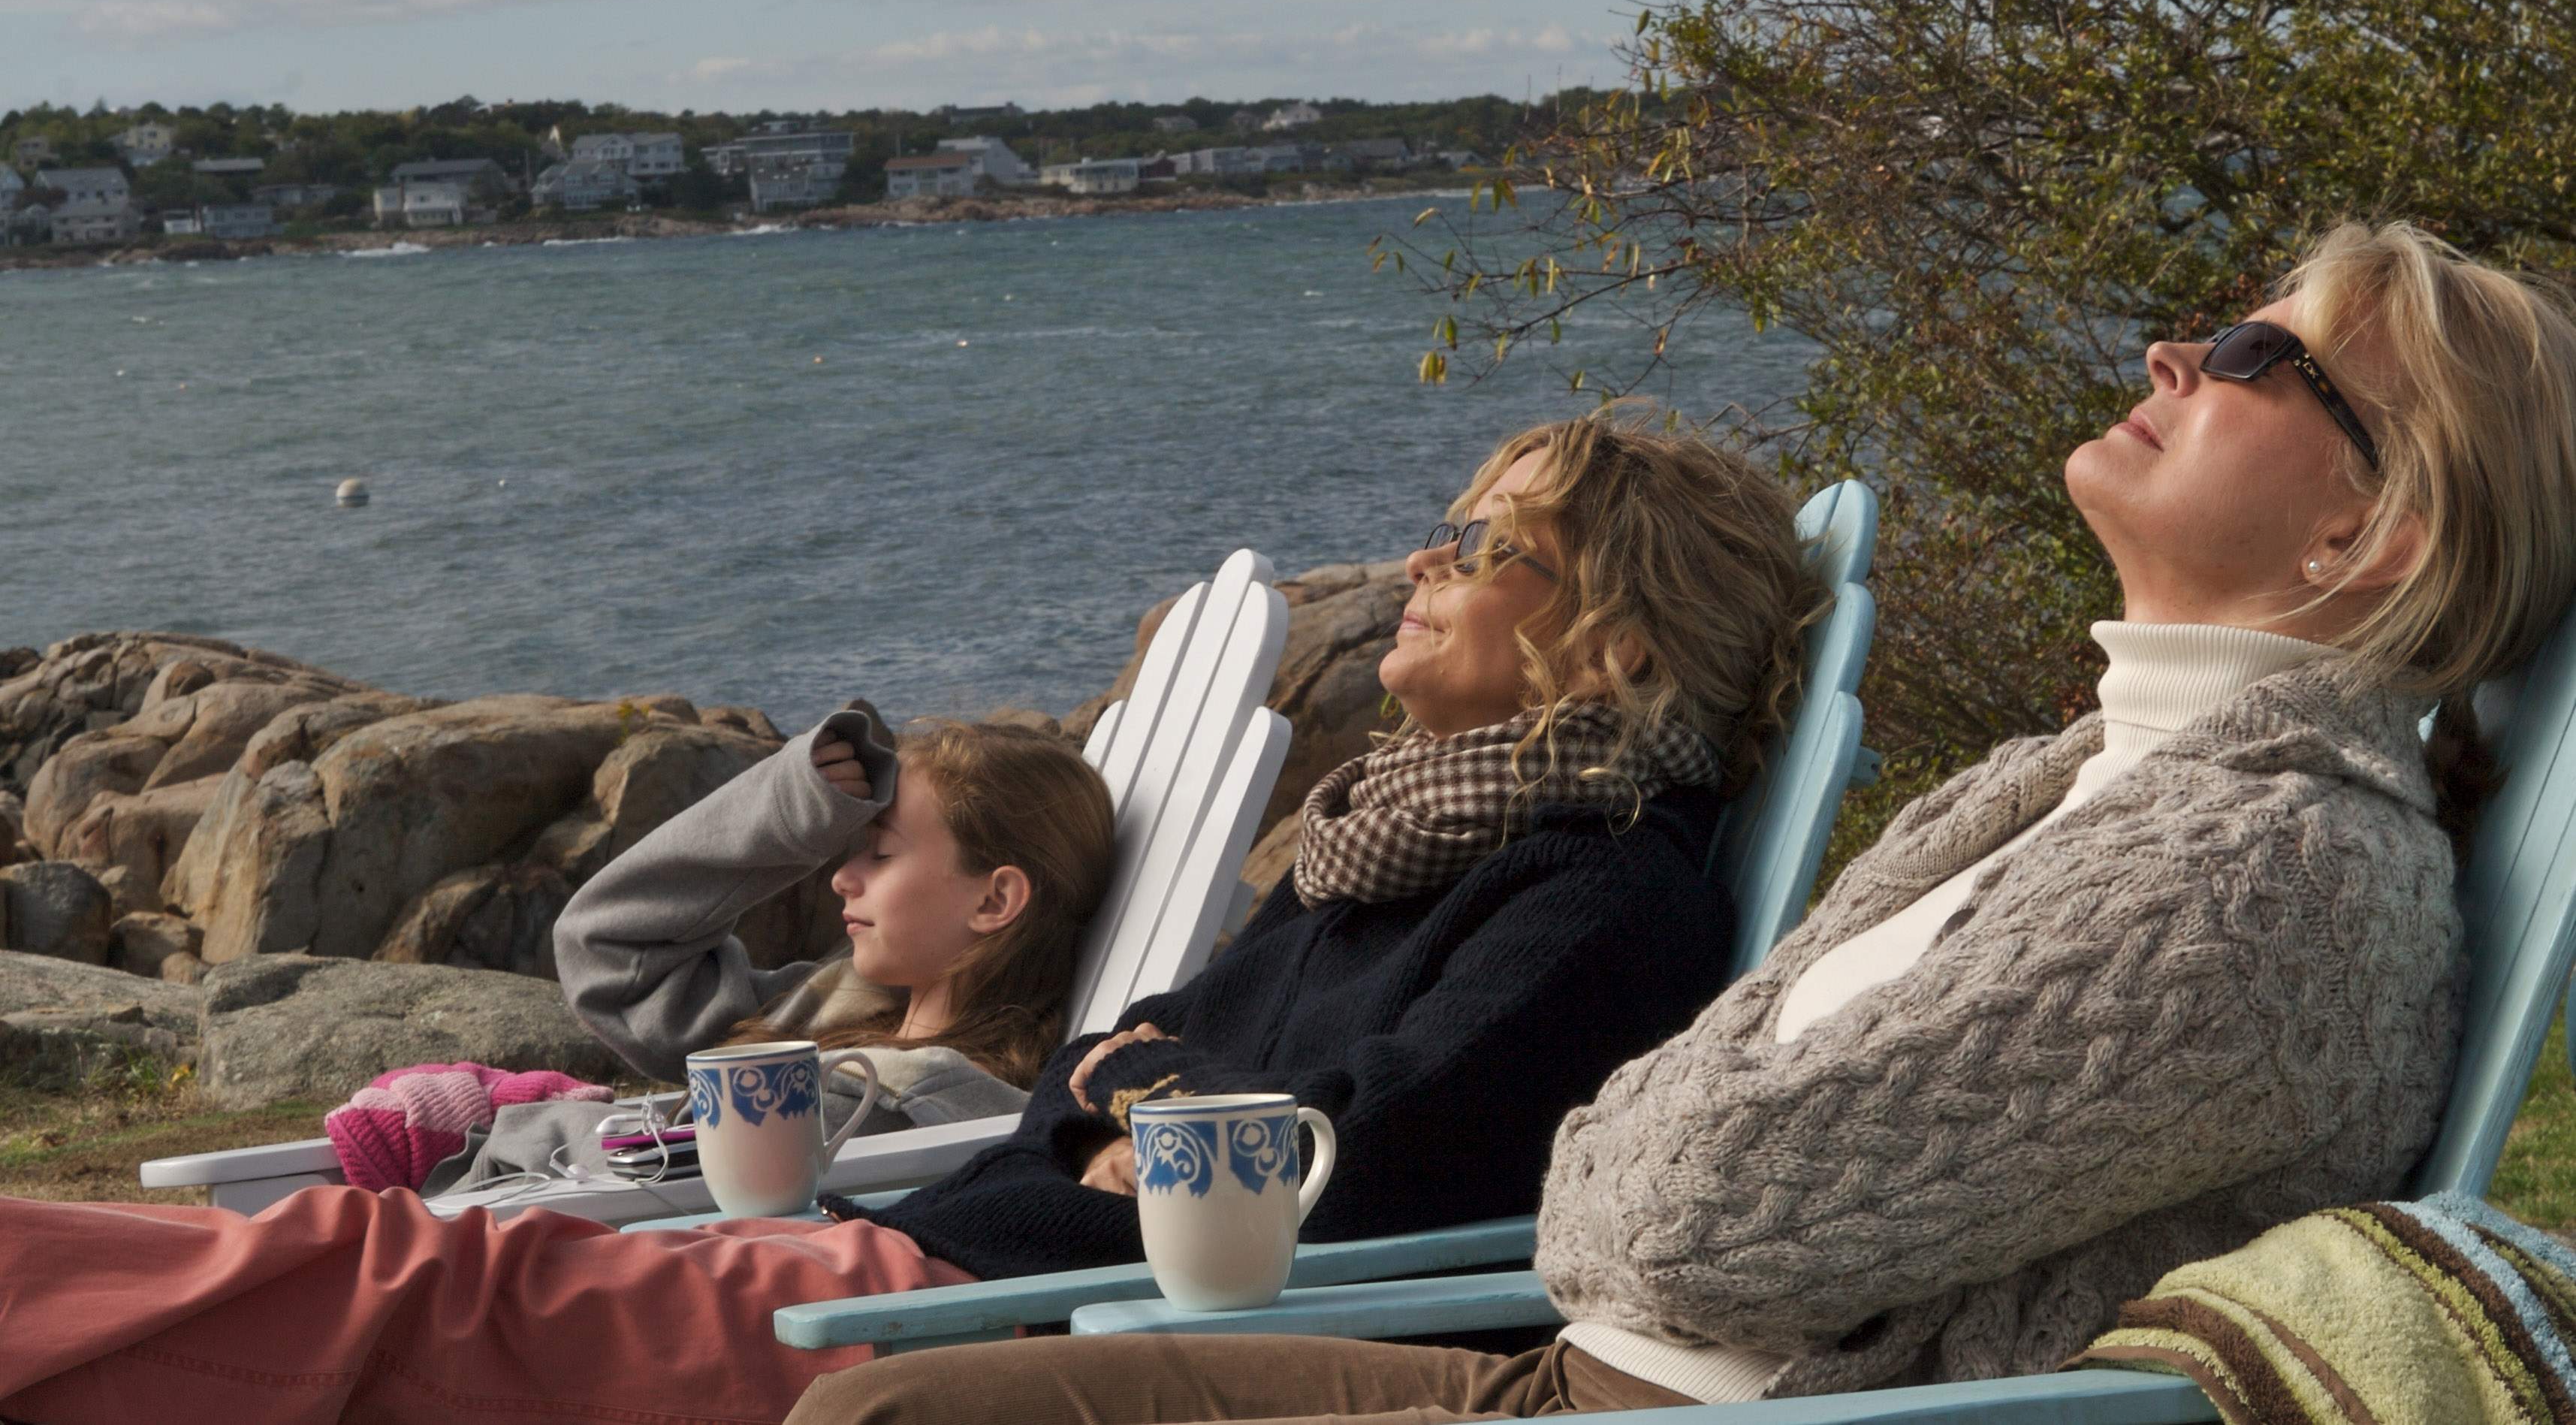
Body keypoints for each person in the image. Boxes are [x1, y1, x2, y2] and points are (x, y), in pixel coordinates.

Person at [788, 220, 2576, 1424]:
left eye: (2268, 352)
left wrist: (1627, 1163)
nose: (2186, 345)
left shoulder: (2265, 881)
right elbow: (1671, 1134)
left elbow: (1676, 1196)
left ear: (2370, 536)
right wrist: (1632, 1162)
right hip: (1574, 1366)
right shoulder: (2075, 783)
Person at [0, 411, 1822, 1425]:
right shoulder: (1380, 849)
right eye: (1446, 526)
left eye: (1491, 546)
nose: (1424, 560)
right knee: (393, 1287)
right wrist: (1136, 1096)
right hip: (968, 1261)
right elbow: (1113, 1086)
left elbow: (1366, 1152)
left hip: (1008, 1325)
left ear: (1625, 631)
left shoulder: (1597, 894)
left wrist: (1140, 1101)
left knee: (395, 1292)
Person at [398, 716, 1112, 1200]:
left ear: (993, 902)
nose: (840, 875)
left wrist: (543, 1127)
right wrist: (794, 808)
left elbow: (684, 1179)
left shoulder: (914, 1101)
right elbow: (604, 946)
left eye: (880, 852)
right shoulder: (836, 1009)